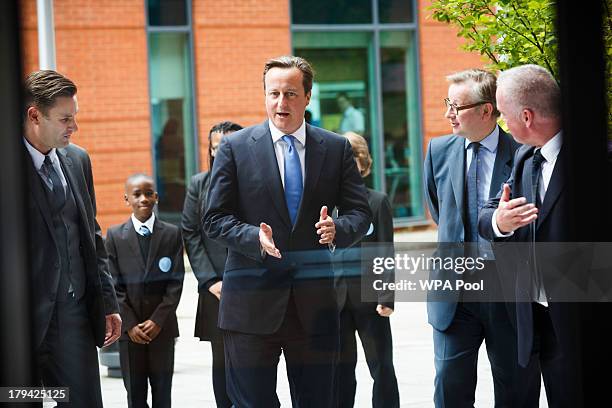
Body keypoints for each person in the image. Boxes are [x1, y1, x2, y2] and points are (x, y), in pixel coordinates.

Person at [203, 55, 372, 407]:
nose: (282, 103)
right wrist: (254, 238)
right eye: (274, 93)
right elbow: (214, 218)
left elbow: (360, 213)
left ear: (308, 97)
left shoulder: (336, 148)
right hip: (250, 306)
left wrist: (337, 229)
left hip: (315, 307)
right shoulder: (234, 148)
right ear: (264, 95)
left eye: (292, 94)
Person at [424, 69, 539, 407]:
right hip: (454, 294)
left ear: (486, 110)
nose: (448, 114)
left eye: (456, 106)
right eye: (448, 104)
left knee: (516, 389)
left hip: (508, 292)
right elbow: (439, 210)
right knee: (449, 389)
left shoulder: (523, 153)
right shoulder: (439, 150)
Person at [478, 64, 583, 407]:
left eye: (505, 116)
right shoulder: (525, 157)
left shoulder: (598, 161)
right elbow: (486, 215)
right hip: (535, 320)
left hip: (582, 324)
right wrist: (500, 222)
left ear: (526, 116)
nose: (503, 124)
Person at [22, 69, 121, 407]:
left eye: (74, 117)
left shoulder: (77, 160)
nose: (74, 127)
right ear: (34, 115)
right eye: (65, 119)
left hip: (73, 316)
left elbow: (91, 235)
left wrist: (107, 302)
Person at [105, 173, 184, 408]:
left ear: (156, 197)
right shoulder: (115, 236)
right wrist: (129, 324)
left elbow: (176, 282)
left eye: (148, 193)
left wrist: (158, 320)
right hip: (130, 333)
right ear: (126, 198)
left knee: (163, 393)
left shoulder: (171, 233)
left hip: (162, 329)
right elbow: (113, 284)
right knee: (135, 395)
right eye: (136, 194)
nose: (143, 199)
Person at [181, 121, 243, 408]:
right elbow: (190, 232)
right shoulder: (199, 184)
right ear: (211, 150)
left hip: (251, 285)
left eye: (230, 147)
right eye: (218, 148)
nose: (223, 153)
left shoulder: (256, 181)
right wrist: (209, 281)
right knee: (221, 359)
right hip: (215, 288)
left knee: (252, 358)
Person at [335, 131, 399, 408]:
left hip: (371, 300)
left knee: (381, 366)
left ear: (363, 164)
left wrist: (387, 296)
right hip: (334, 299)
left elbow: (386, 249)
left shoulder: (377, 201)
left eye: (353, 160)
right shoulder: (327, 206)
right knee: (340, 370)